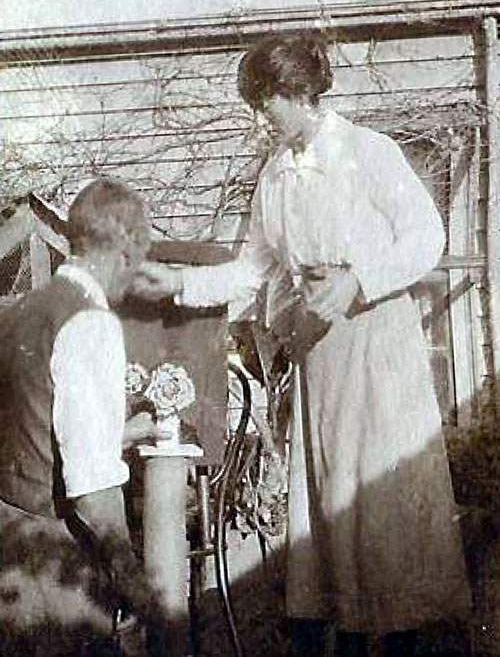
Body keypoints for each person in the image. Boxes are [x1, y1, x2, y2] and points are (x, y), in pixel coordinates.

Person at [133, 35, 471, 656]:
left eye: (266, 103)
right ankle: (349, 635)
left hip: (377, 345)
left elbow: (428, 235)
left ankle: (400, 641)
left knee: (379, 500)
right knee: (332, 504)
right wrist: (178, 282)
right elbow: (250, 272)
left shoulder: (368, 153)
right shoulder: (276, 179)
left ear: (300, 94)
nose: (258, 117)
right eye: (254, 105)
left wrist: (360, 280)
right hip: (321, 354)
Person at [0, 177, 165, 656]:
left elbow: (39, 423)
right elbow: (93, 491)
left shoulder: (20, 310)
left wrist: (122, 432)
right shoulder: (90, 322)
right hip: (54, 565)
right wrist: (136, 586)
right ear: (126, 252)